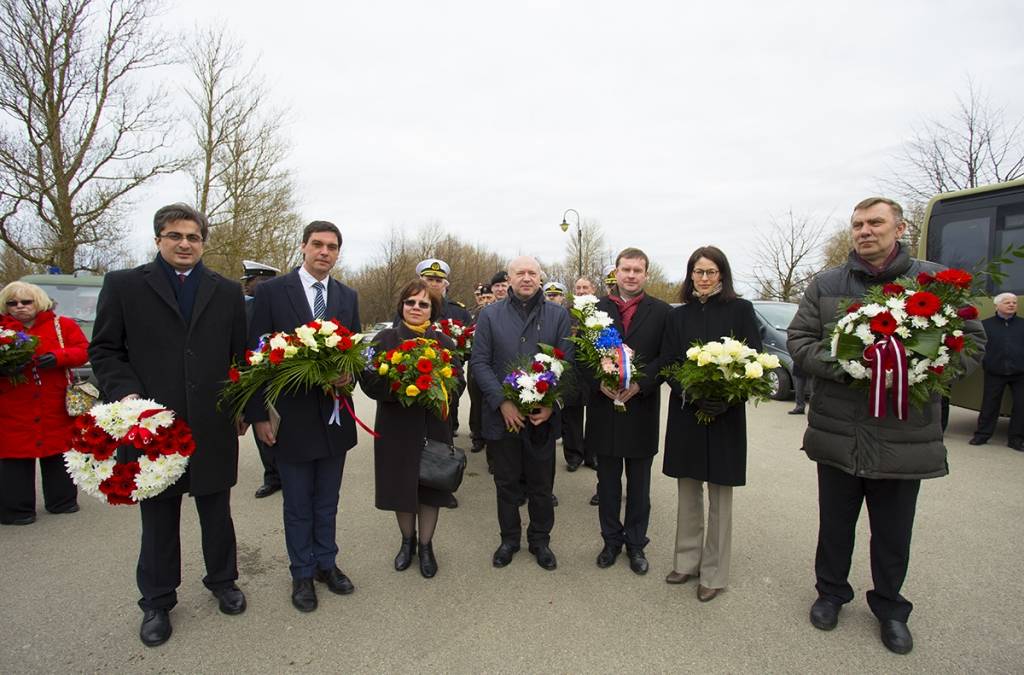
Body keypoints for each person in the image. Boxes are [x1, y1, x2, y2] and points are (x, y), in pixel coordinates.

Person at [787, 196, 985, 655]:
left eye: (875, 222)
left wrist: (922, 369)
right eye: (858, 224)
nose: (865, 231)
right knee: (835, 524)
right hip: (839, 431)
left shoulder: (933, 282)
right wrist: (851, 367)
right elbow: (800, 340)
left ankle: (891, 608)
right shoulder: (827, 284)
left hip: (904, 434)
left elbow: (972, 342)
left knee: (894, 531)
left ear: (899, 229)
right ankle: (830, 593)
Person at [90, 203, 249, 647]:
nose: (185, 244)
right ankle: (157, 601)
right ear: (158, 239)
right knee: (159, 517)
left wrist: (242, 406)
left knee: (216, 511)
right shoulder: (124, 285)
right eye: (175, 236)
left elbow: (240, 357)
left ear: (203, 243)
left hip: (212, 423)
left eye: (193, 237)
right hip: (152, 425)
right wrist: (126, 395)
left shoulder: (226, 291)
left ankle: (223, 581)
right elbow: (104, 350)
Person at [246, 220, 361, 613]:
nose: (324, 252)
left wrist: (348, 374)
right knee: (297, 503)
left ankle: (326, 563)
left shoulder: (347, 296)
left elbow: (354, 352)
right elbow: (254, 356)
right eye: (317, 244)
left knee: (327, 500)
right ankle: (301, 572)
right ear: (303, 247)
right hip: (291, 419)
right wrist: (259, 416)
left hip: (333, 418)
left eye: (332, 246)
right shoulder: (272, 293)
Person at [661, 246, 761, 602]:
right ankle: (686, 561)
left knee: (720, 494)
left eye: (711, 272)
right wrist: (691, 392)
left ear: (722, 275)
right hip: (687, 412)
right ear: (690, 275)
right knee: (688, 490)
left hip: (726, 415)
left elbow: (755, 359)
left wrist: (728, 397)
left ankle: (715, 573)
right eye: (698, 272)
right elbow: (669, 363)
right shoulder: (678, 316)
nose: (704, 278)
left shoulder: (740, 310)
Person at [471, 256, 572, 570]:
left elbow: (567, 363)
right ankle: (509, 540)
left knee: (541, 486)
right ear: (509, 278)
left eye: (532, 273)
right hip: (503, 418)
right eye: (520, 273)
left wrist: (551, 403)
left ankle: (540, 541)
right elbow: (480, 362)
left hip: (542, 418)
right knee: (506, 484)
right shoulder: (489, 315)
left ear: (540, 278)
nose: (526, 278)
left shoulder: (558, 315)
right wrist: (503, 401)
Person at [360, 279, 463, 578]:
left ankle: (426, 546)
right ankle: (407, 542)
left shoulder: (444, 343)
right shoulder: (384, 339)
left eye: (423, 304)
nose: (416, 308)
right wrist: (400, 387)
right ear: (401, 305)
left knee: (431, 487)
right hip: (395, 426)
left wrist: (434, 386)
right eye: (410, 302)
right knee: (401, 486)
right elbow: (368, 382)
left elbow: (458, 383)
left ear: (433, 310)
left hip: (433, 427)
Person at [587, 249, 670, 575]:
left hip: (641, 410)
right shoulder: (594, 310)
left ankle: (636, 544)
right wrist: (599, 382)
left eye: (637, 270)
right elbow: (581, 356)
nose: (631, 275)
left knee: (639, 487)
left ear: (646, 274)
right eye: (626, 269)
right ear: (616, 272)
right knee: (607, 486)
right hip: (604, 410)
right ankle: (610, 542)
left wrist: (642, 384)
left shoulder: (662, 312)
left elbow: (667, 357)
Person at [0, 281, 88, 525]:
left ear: (38, 302)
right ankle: (16, 509)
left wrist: (59, 357)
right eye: (12, 303)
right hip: (12, 405)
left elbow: (84, 350)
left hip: (54, 402)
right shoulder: (2, 329)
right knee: (15, 457)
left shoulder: (63, 325)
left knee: (58, 453)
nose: (19, 307)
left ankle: (62, 501)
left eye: (26, 302)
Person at [240, 260, 283, 498]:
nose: (246, 286)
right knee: (261, 424)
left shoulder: (280, 303)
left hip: (279, 376)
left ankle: (287, 473)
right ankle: (272, 476)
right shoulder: (243, 307)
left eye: (250, 281)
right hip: (255, 374)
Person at [969, 292, 1024, 451]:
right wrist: (987, 361)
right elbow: (977, 347)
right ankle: (982, 434)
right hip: (995, 371)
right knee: (990, 404)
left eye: (1014, 302)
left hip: (1020, 372)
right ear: (997, 305)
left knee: (1021, 406)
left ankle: (1016, 439)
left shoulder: (1022, 324)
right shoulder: (986, 325)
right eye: (1007, 302)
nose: (1011, 305)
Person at [468, 283, 493, 455]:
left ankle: (490, 442)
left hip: (493, 363)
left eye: (488, 297)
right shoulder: (475, 313)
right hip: (476, 361)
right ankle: (477, 437)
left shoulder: (499, 312)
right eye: (482, 297)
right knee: (476, 402)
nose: (485, 301)